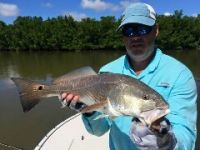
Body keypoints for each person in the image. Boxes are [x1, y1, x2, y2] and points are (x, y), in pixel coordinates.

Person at [61, 2, 197, 150]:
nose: (135, 37)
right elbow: (99, 130)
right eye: (129, 30)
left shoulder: (179, 74)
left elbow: (186, 134)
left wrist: (167, 142)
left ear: (156, 30)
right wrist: (90, 112)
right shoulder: (107, 71)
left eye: (142, 29)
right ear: (123, 36)